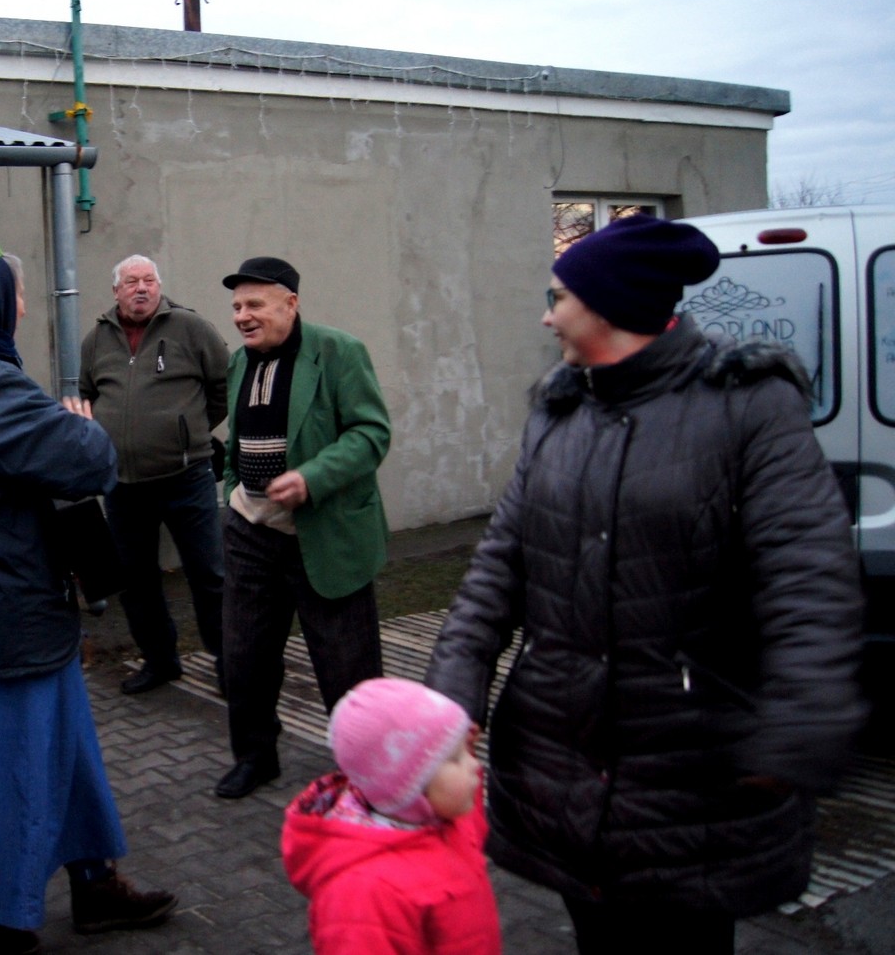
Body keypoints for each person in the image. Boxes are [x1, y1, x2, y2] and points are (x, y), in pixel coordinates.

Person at [425, 214, 867, 955]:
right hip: (562, 763)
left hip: (691, 774)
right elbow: (498, 566)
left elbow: (808, 575)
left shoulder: (749, 404)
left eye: (559, 297)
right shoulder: (559, 411)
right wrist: (448, 696)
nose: (547, 316)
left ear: (609, 306)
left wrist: (799, 726)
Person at [0, 218, 176, 955]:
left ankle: (94, 883)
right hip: (6, 615)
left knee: (65, 751)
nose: (21, 307)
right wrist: (79, 424)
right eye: (14, 295)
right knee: (1, 773)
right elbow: (89, 462)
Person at [214, 256, 392, 799]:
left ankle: (367, 778)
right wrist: (233, 491)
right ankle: (255, 757)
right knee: (244, 658)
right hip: (251, 532)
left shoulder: (339, 352)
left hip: (324, 533)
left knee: (347, 669)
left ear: (290, 303)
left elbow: (370, 433)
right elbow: (238, 438)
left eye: (255, 304)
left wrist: (311, 478)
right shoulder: (240, 362)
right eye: (236, 307)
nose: (242, 316)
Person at [71, 254, 229, 695]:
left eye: (149, 281)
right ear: (116, 292)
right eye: (131, 282)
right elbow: (86, 396)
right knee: (136, 581)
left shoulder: (190, 328)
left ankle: (230, 664)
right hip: (122, 484)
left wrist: (191, 431)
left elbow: (224, 383)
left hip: (187, 477)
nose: (141, 288)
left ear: (159, 287)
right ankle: (160, 662)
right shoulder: (96, 341)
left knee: (210, 576)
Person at [282, 677, 500, 955]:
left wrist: (459, 747)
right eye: (456, 758)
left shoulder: (442, 817)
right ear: (409, 787)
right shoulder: (363, 894)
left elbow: (472, 826)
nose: (475, 765)